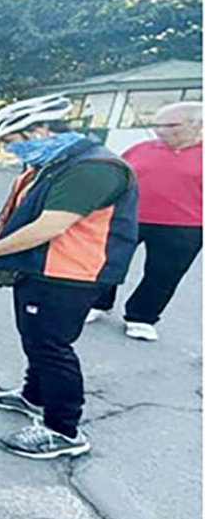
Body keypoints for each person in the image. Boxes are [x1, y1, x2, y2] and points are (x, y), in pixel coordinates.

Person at [0, 94, 138, 460]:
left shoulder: (93, 168)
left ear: (39, 131)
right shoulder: (50, 164)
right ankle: (33, 396)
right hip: (40, 267)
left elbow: (49, 225)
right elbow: (14, 213)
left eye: (12, 143)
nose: (10, 152)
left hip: (69, 273)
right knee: (34, 338)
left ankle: (63, 431)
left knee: (52, 347)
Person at [87, 101, 202, 341]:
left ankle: (141, 317)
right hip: (129, 217)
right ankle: (98, 302)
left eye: (170, 125)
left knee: (163, 274)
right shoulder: (141, 148)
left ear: (197, 124)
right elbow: (116, 177)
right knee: (107, 261)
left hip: (184, 226)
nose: (160, 130)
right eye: (157, 124)